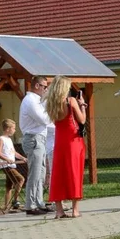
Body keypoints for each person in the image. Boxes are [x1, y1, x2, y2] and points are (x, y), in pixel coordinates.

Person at [45, 77, 87, 219]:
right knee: (74, 172)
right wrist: (82, 106)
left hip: (59, 141)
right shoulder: (71, 101)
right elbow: (82, 120)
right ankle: (75, 210)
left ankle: (59, 210)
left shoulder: (51, 104)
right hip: (73, 140)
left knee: (58, 173)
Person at [18, 75, 52, 215]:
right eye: (44, 86)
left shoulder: (37, 100)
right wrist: (51, 110)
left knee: (41, 173)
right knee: (35, 173)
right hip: (34, 139)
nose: (45, 89)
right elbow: (44, 119)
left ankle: (38, 202)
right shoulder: (31, 100)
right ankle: (30, 205)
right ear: (36, 86)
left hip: (40, 139)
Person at [0, 118, 26, 214]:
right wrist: (6, 159)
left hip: (12, 165)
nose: (14, 130)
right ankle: (15, 201)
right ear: (8, 128)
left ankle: (6, 206)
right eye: (13, 128)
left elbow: (14, 152)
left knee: (9, 186)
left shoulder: (9, 139)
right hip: (6, 166)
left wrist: (22, 158)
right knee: (21, 179)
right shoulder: (1, 139)